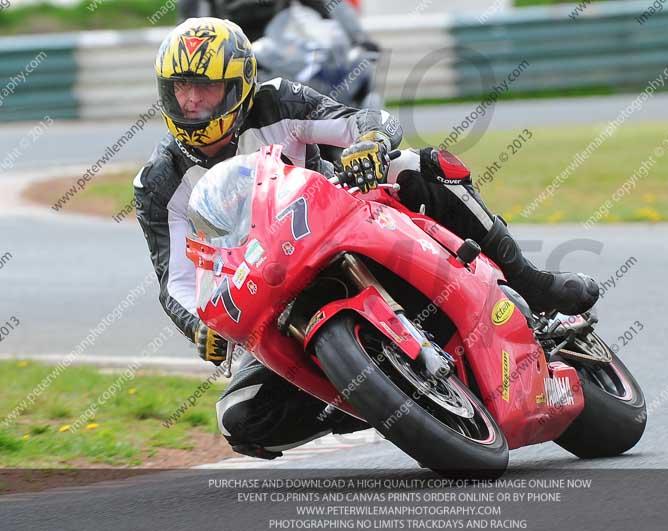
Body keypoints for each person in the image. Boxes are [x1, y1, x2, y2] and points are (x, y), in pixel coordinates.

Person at [134, 17, 599, 460]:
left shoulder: (277, 102)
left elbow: (359, 119)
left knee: (416, 166)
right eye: (181, 88)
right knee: (242, 417)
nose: (192, 101)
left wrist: (371, 142)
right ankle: (375, 396)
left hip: (336, 228)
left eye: (206, 87)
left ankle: (531, 282)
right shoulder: (157, 183)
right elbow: (174, 280)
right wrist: (200, 326)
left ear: (239, 88)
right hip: (268, 292)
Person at [178, 0, 375, 48]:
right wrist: (189, 43)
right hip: (226, 56)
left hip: (279, 55)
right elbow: (190, 20)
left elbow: (329, 4)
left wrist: (358, 37)